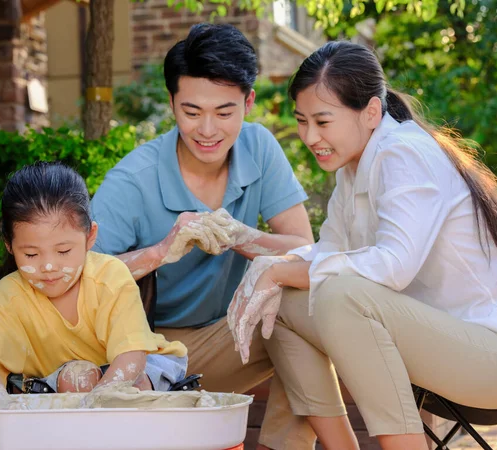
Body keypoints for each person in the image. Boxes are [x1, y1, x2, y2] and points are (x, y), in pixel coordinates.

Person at [228, 40, 497, 450]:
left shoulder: (405, 154)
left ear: (371, 112)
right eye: (302, 121)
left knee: (339, 294)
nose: (309, 136)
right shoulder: (353, 167)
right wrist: (275, 267)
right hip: (443, 349)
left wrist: (280, 269)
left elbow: (392, 266)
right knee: (285, 303)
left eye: (322, 121)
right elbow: (329, 253)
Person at [90, 23, 323, 449]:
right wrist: (161, 251)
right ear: (172, 103)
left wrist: (239, 235)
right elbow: (80, 277)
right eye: (192, 112)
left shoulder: (259, 148)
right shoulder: (133, 179)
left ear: (249, 102)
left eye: (224, 112)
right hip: (145, 355)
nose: (208, 130)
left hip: (229, 335)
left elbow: (303, 250)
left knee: (305, 304)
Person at [0, 162, 187, 410]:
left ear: (90, 236)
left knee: (133, 390)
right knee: (77, 377)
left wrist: (99, 401)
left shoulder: (111, 275)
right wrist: (1, 407)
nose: (48, 266)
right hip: (63, 379)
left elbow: (132, 357)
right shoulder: (9, 295)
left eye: (63, 251)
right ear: (9, 245)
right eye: (30, 255)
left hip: (141, 366)